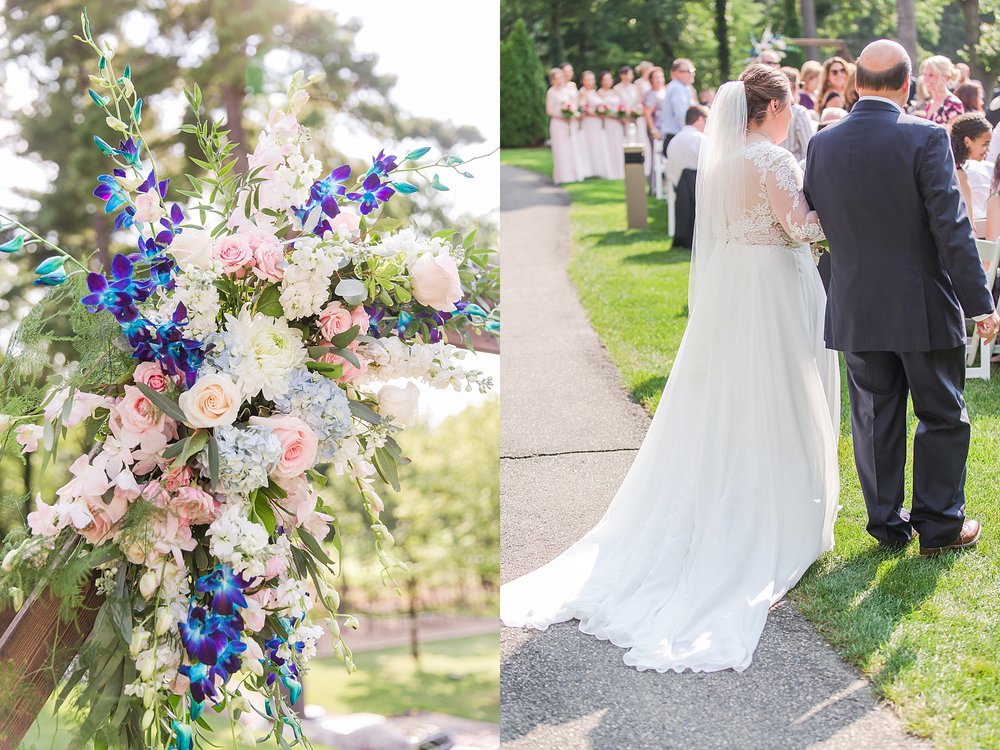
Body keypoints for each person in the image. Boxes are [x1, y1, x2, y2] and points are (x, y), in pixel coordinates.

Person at [501, 64, 841, 673]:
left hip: (735, 287)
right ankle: (779, 505)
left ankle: (730, 491)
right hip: (772, 290)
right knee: (781, 389)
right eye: (788, 105)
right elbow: (796, 227)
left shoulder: (722, 162)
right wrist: (837, 220)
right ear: (771, 110)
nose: (793, 114)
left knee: (735, 394)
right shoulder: (775, 163)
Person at [805, 40, 998, 556]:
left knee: (872, 416)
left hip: (855, 304)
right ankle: (938, 528)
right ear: (907, 85)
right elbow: (952, 230)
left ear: (856, 83)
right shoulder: (926, 137)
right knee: (941, 415)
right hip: (921, 305)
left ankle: (887, 525)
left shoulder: (822, 143)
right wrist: (980, 302)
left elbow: (819, 217)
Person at [949, 113, 992, 234]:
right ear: (967, 141)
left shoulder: (945, 162)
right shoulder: (959, 175)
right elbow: (969, 226)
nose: (987, 150)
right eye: (985, 144)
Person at [545, 67, 583, 184]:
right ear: (552, 80)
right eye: (557, 78)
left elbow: (574, 104)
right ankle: (562, 176)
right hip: (558, 123)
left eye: (561, 77)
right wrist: (562, 116)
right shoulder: (551, 92)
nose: (560, 80)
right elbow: (549, 110)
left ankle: (574, 174)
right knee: (560, 149)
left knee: (572, 148)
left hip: (570, 123)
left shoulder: (567, 90)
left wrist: (571, 113)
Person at [578, 70, 614, 179]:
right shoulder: (583, 92)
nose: (590, 82)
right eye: (587, 79)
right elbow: (582, 107)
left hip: (597, 122)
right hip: (589, 122)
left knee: (598, 144)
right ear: (583, 81)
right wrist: (595, 113)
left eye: (592, 79)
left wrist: (602, 111)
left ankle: (598, 169)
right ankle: (589, 170)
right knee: (589, 144)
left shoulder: (594, 92)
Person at [779, 66, 816, 161]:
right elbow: (809, 148)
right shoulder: (799, 112)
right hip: (794, 166)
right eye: (800, 85)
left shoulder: (770, 110)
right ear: (794, 87)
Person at [665, 104, 706, 188]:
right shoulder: (700, 139)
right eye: (705, 120)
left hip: (678, 190)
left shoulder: (674, 140)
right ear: (699, 119)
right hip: (699, 189)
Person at [662, 58, 696, 152]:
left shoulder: (683, 88)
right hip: (676, 138)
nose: (692, 74)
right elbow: (682, 115)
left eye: (693, 71)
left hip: (677, 137)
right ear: (677, 73)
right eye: (689, 71)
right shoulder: (677, 88)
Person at [920, 55, 964, 125]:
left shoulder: (953, 105)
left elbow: (954, 135)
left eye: (931, 75)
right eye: (924, 74)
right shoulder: (930, 103)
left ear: (945, 77)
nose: (926, 79)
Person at [598, 70, 625, 179]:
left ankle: (620, 169)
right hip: (608, 122)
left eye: (609, 79)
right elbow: (600, 110)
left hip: (618, 123)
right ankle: (610, 170)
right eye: (605, 79)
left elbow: (621, 106)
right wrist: (612, 115)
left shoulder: (615, 92)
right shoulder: (599, 93)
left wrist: (621, 114)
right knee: (609, 144)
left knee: (618, 144)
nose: (607, 81)